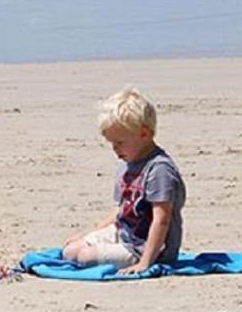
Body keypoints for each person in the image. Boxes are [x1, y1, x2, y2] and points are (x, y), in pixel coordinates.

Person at [61, 87, 186, 274]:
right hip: (125, 233)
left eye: (120, 143)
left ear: (144, 134)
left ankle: (137, 257)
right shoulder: (127, 163)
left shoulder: (159, 170)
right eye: (112, 143)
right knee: (70, 251)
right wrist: (91, 234)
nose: (115, 149)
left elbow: (162, 220)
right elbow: (121, 210)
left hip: (146, 246)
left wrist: (145, 263)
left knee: (84, 257)